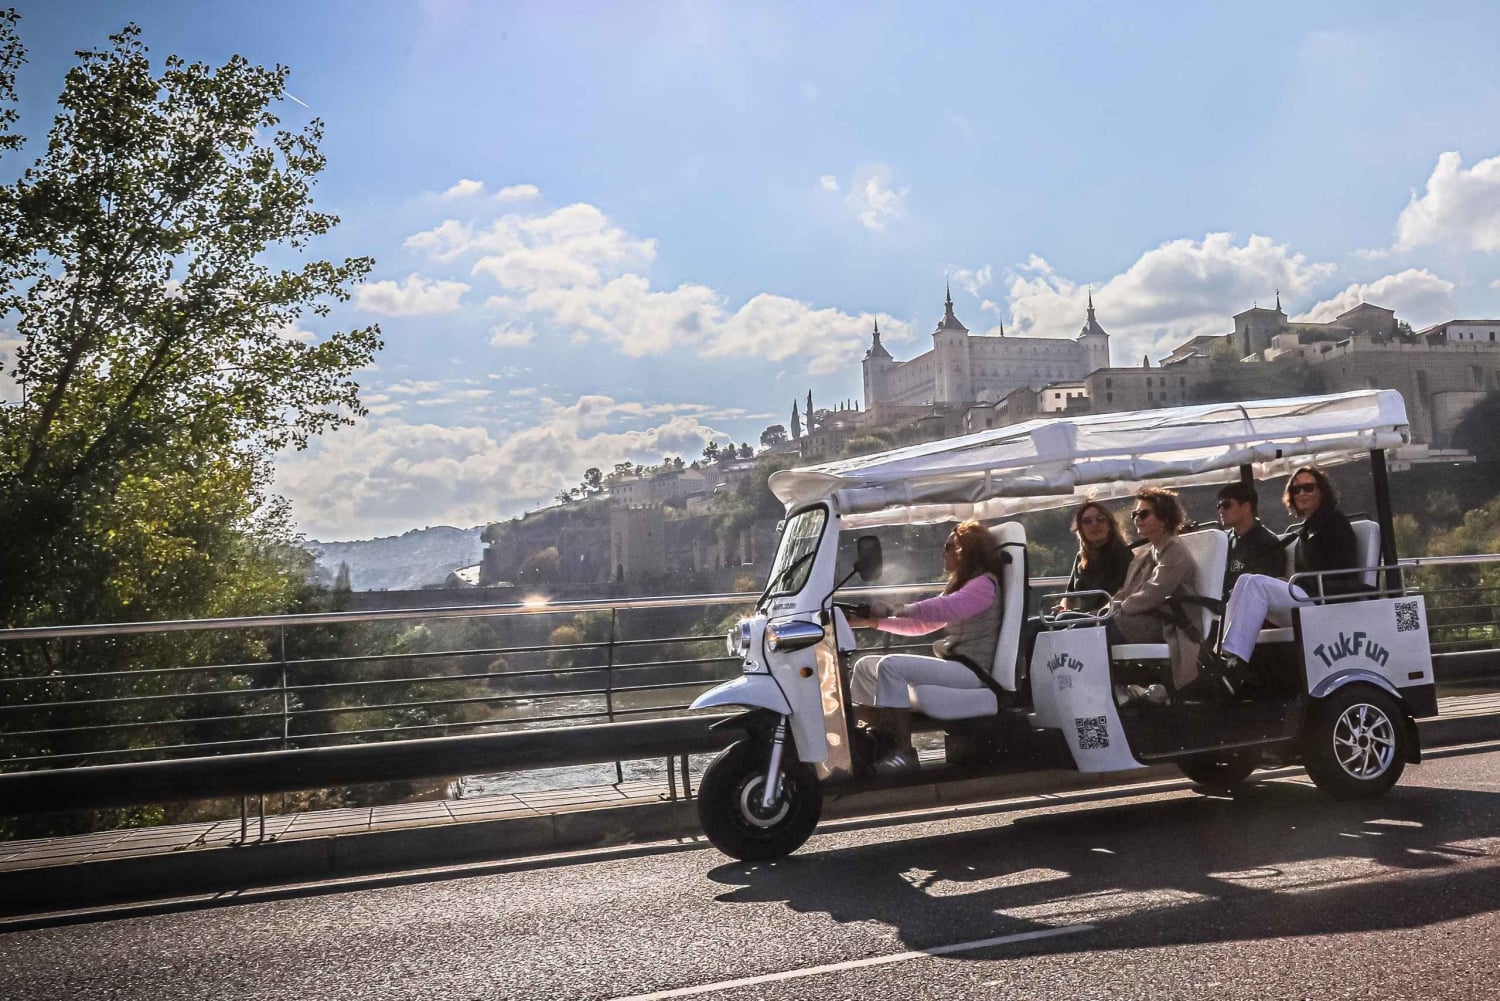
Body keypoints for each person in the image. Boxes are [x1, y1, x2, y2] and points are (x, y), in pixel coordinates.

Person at [847, 519, 1005, 776]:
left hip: (973, 671)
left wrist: (900, 608)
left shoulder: (983, 585)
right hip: (958, 665)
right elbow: (921, 625)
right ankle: (876, 743)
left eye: (948, 546)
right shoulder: (964, 586)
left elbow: (945, 607)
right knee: (865, 666)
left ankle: (903, 751)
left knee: (890, 666)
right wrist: (872, 622)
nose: (943, 553)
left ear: (964, 551)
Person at [1209, 464, 1367, 683]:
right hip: (1306, 594)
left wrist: (1297, 584)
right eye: (1296, 489)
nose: (1302, 493)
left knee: (1254, 584)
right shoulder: (1307, 528)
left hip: (1325, 601)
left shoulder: (1333, 523)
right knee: (1245, 580)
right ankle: (1224, 655)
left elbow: (1343, 570)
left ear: (1321, 491)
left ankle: (1235, 661)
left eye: (1308, 488)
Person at [1106, 487, 1204, 697]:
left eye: (1143, 514)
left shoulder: (1174, 551)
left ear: (1164, 518)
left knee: (1097, 632)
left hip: (1167, 623)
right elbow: (1126, 591)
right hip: (1141, 618)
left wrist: (1121, 608)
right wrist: (1108, 608)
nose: (1137, 519)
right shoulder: (1145, 553)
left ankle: (1112, 691)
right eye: (1135, 514)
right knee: (1078, 626)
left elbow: (1155, 591)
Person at [1216, 481, 1285, 592]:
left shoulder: (1267, 543)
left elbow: (1260, 588)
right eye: (1218, 506)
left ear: (1246, 507)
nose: (1221, 510)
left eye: (1226, 505)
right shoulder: (1224, 540)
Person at [1063, 501, 1132, 612]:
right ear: (1081, 529)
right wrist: (1063, 607)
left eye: (1100, 519)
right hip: (1084, 617)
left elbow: (1127, 592)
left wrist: (1099, 613)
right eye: (1087, 521)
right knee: (1036, 624)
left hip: (1110, 617)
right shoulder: (1081, 557)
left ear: (1109, 525)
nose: (1094, 524)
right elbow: (1069, 594)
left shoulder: (1122, 554)